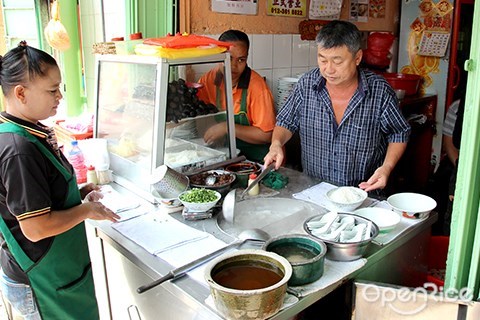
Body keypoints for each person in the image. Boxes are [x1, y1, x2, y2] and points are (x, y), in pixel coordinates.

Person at [0, 42, 120, 319]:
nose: (60, 97)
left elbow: (41, 194)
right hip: (41, 276)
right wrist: (87, 210)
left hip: (58, 272)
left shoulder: (29, 132)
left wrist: (78, 193)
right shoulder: (19, 149)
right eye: (52, 90)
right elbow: (35, 227)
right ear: (21, 93)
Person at [264, 20, 411, 192]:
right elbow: (285, 122)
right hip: (314, 190)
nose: (329, 69)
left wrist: (386, 167)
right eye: (323, 59)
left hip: (363, 193)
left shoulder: (379, 90)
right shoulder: (306, 84)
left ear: (357, 58)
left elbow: (398, 132)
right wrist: (276, 144)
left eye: (337, 61)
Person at [197, 30, 276, 163]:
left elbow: (266, 135)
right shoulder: (209, 80)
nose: (233, 66)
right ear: (218, 56)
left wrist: (227, 127)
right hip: (229, 157)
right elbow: (199, 113)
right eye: (228, 58)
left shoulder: (257, 87)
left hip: (259, 161)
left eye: (241, 60)